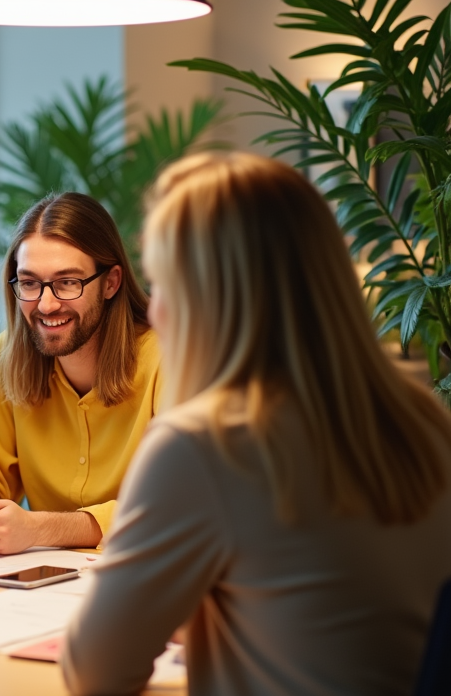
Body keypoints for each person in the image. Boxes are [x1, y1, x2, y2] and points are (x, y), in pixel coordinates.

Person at [63, 153, 451, 695]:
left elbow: (95, 672)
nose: (157, 312)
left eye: (164, 283)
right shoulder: (422, 417)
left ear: (207, 298)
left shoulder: (203, 445)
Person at [0, 192, 160, 555]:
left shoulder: (169, 358)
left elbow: (184, 503)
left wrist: (44, 528)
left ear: (111, 282)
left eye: (68, 282)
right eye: (30, 283)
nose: (46, 304)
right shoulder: (7, 357)